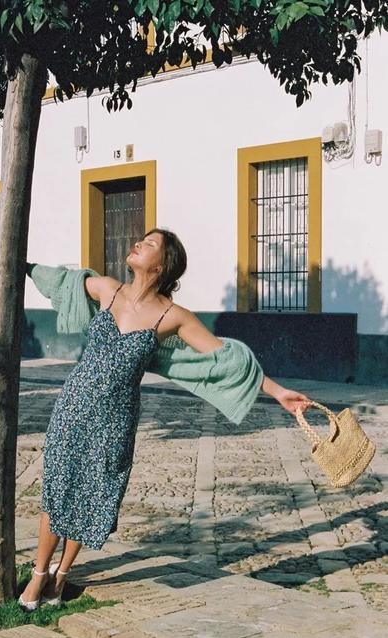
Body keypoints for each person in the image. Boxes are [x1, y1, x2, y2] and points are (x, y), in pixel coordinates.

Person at [19, 228, 311, 610]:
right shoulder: (107, 289)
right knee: (58, 486)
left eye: (150, 244)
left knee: (93, 493)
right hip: (74, 405)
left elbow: (226, 360)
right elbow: (62, 281)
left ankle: (61, 575)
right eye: (141, 239)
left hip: (116, 418)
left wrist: (277, 391)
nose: (138, 243)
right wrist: (21, 264)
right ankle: (38, 573)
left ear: (162, 265)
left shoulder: (174, 316)